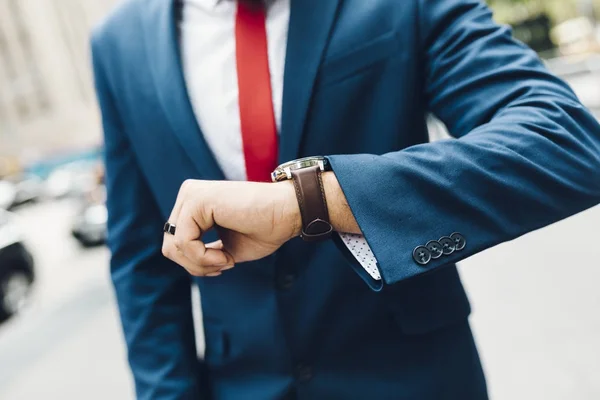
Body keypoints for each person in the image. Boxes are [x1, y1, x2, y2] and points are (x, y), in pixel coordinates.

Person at [91, 0, 600, 399]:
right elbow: (142, 263)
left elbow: (565, 140)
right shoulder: (117, 45)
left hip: (413, 379)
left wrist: (313, 201)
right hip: (242, 385)